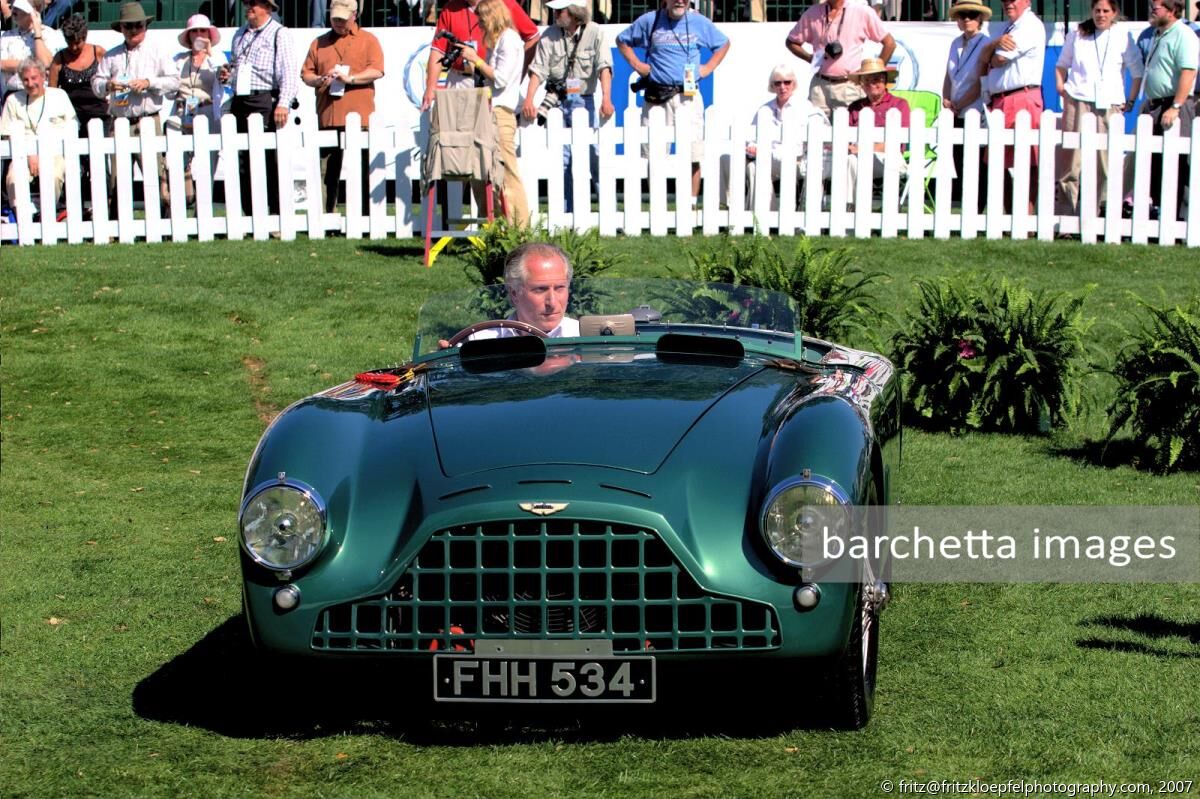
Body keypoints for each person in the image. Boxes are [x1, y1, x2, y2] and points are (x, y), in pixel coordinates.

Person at [617, 0, 731, 200]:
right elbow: (622, 41)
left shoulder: (698, 22)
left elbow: (723, 43)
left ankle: (691, 204)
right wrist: (638, 66)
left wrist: (707, 68)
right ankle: (657, 203)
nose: (680, 1)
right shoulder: (650, 21)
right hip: (657, 97)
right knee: (655, 155)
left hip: (688, 96)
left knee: (693, 155)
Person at [523, 0, 614, 213]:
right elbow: (538, 70)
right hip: (557, 102)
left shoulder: (595, 32)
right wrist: (529, 99)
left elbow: (604, 68)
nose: (555, 14)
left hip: (584, 99)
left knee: (594, 156)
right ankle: (566, 212)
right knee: (562, 159)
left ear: (574, 13)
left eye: (560, 10)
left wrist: (606, 99)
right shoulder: (549, 35)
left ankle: (607, 210)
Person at [1053, 0, 1142, 217]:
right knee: (1071, 160)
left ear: (1114, 12)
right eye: (1097, 11)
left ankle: (1097, 212)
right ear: (1092, 11)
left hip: (1108, 103)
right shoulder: (1078, 33)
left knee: (1104, 161)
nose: (1101, 15)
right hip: (1077, 100)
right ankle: (1066, 214)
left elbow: (1137, 72)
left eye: (1105, 11)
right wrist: (1061, 88)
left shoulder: (1123, 36)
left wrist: (1130, 101)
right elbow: (1061, 65)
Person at [91, 2, 179, 210]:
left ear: (145, 26)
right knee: (117, 181)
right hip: (119, 121)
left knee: (155, 177)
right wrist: (108, 85)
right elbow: (96, 84)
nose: (133, 30)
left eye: (138, 25)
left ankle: (161, 221)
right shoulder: (111, 55)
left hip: (147, 120)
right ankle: (117, 223)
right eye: (128, 26)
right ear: (121, 29)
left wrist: (149, 83)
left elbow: (174, 82)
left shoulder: (158, 51)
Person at [301, 0, 384, 214]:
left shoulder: (368, 40)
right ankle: (326, 215)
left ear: (354, 15)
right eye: (335, 18)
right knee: (326, 172)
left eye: (343, 19)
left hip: (359, 114)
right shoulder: (319, 43)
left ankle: (365, 215)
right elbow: (306, 74)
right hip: (328, 114)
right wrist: (320, 80)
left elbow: (377, 70)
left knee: (362, 169)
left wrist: (351, 79)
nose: (338, 22)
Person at [220, 0, 299, 215]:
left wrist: (283, 103)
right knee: (243, 160)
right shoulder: (240, 34)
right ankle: (250, 214)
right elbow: (236, 67)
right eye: (247, 3)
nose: (249, 7)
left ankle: (275, 214)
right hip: (241, 99)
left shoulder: (279, 34)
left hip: (264, 99)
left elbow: (288, 72)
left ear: (268, 7)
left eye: (254, 3)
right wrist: (227, 75)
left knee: (269, 160)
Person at [458, 0, 529, 226]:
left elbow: (500, 79)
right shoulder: (496, 41)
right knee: (481, 172)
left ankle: (519, 228)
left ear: (492, 17)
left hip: (501, 113)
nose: (479, 24)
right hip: (487, 111)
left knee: (506, 173)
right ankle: (493, 225)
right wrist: (473, 65)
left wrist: (476, 59)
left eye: (481, 19)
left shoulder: (509, 40)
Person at [721, 63, 828, 211]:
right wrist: (752, 148)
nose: (782, 87)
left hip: (795, 161)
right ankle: (733, 207)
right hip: (768, 159)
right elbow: (752, 138)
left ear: (794, 84)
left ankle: (762, 213)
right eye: (778, 83)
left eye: (787, 82)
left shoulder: (805, 108)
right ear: (772, 86)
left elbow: (811, 141)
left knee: (756, 166)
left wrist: (765, 152)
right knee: (729, 160)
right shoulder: (764, 109)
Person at [420, 0, 539, 113]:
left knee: (486, 125)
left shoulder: (504, 4)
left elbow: (532, 37)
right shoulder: (451, 7)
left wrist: (516, 75)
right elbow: (438, 51)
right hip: (458, 80)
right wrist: (430, 87)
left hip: (489, 83)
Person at [784, 0, 895, 116]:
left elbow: (890, 44)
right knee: (815, 126)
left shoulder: (861, 11)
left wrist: (874, 74)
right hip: (819, 86)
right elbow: (791, 42)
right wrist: (810, 58)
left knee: (850, 127)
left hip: (849, 86)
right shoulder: (812, 13)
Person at [1139, 0, 1197, 217]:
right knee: (1157, 163)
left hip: (1173, 104)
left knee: (1177, 164)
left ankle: (1177, 217)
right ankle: (1161, 211)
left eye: (1156, 8)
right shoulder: (1159, 34)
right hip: (1157, 104)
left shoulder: (1183, 35)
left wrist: (1175, 106)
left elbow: (1188, 72)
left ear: (1172, 11)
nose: (1152, 11)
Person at [0, 58, 76, 214]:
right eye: (25, 80)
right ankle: (20, 215)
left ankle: (46, 214)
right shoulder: (13, 100)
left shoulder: (59, 96)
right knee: (14, 178)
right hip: (22, 154)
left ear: (43, 77)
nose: (30, 83)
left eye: (34, 78)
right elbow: (7, 134)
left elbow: (73, 125)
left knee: (53, 176)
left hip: (55, 152)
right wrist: (29, 154)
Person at [170, 14, 226, 207]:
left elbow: (224, 76)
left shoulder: (216, 58)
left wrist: (209, 53)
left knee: (208, 164)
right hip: (182, 112)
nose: (199, 34)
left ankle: (203, 208)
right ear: (189, 35)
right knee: (177, 162)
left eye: (203, 31)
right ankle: (178, 204)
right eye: (195, 31)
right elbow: (170, 87)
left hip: (207, 111)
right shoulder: (179, 59)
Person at [942, 0, 990, 207]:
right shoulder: (955, 43)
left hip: (975, 110)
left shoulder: (986, 43)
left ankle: (978, 207)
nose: (967, 19)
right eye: (963, 15)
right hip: (956, 111)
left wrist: (960, 103)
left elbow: (981, 81)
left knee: (977, 163)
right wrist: (946, 98)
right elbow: (949, 75)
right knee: (959, 160)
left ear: (980, 18)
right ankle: (965, 204)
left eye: (972, 15)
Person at [842, 56, 909, 198]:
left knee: (853, 161)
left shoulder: (899, 105)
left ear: (885, 81)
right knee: (850, 160)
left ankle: (855, 205)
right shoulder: (854, 107)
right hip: (857, 156)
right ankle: (851, 206)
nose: (872, 83)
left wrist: (863, 149)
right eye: (867, 80)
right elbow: (845, 139)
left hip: (888, 156)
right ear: (861, 84)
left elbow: (897, 143)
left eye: (877, 79)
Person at [1, 0, 66, 102]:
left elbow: (46, 63)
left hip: (39, 95)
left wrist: (37, 31)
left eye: (19, 8)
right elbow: (2, 64)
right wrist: (33, 65)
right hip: (13, 95)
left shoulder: (50, 35)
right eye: (13, 7)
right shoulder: (6, 36)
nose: (14, 10)